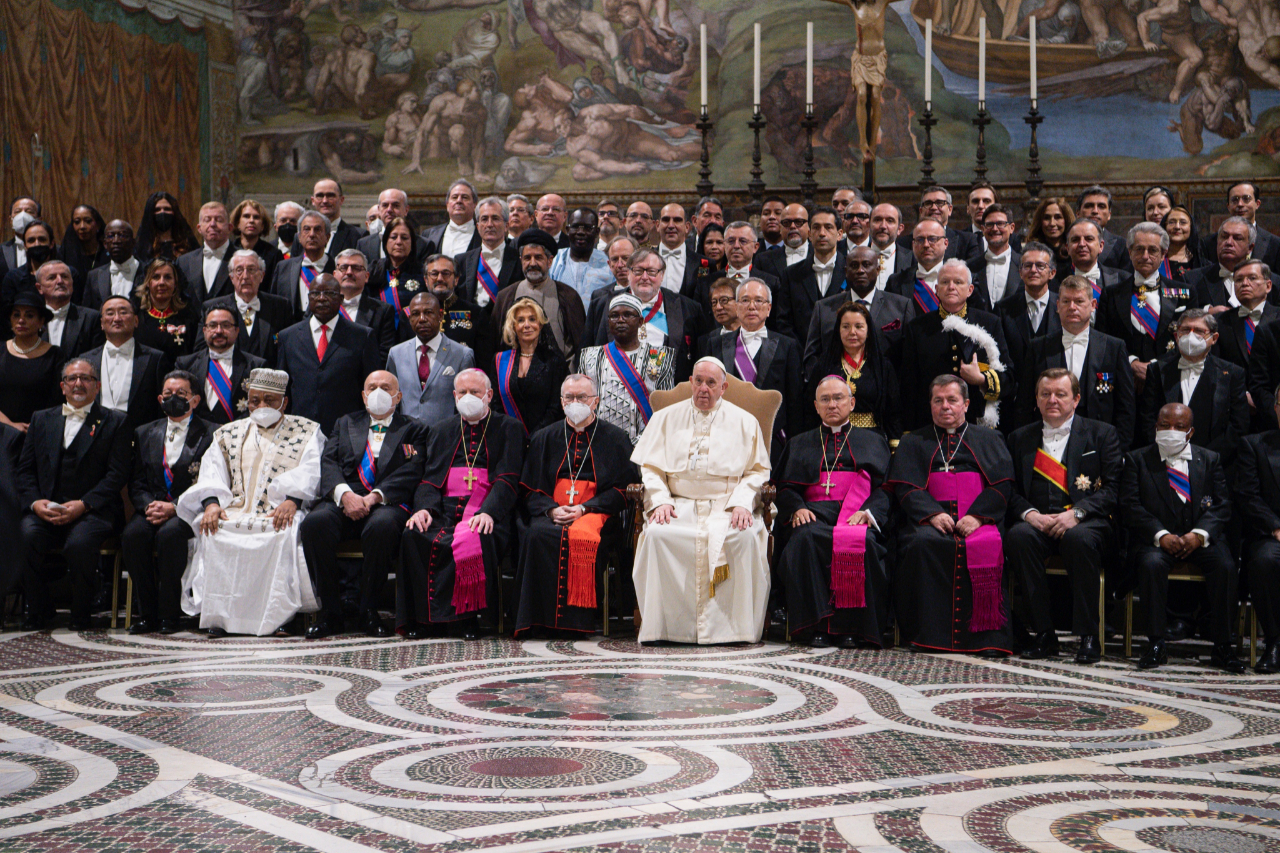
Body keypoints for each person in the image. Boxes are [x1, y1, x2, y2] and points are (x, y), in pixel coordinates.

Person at [631, 357, 771, 644]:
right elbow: (650, 468)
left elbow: (757, 471)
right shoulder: (665, 418)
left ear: (724, 387)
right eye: (698, 381)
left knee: (744, 538)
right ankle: (665, 628)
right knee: (658, 534)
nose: (703, 389)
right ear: (691, 382)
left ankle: (735, 630)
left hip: (727, 504)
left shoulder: (745, 421)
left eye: (711, 383)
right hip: (678, 503)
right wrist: (659, 500)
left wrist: (743, 503)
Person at [177, 368, 324, 637]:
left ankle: (278, 617)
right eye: (255, 400)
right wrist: (211, 504)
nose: (261, 406)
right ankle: (221, 619)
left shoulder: (307, 430)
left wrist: (293, 500)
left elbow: (312, 470)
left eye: (270, 400)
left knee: (282, 531)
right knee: (214, 529)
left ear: (284, 402)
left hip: (279, 511)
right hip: (234, 510)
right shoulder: (227, 432)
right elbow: (212, 471)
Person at [886, 374, 1015, 655]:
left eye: (952, 400)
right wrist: (932, 514)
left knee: (987, 545)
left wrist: (978, 517)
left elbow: (1002, 484)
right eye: (938, 400)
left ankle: (986, 638)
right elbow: (905, 487)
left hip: (978, 519)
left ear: (966, 404)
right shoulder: (913, 441)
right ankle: (928, 635)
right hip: (931, 520)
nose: (945, 406)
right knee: (923, 544)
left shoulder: (990, 438)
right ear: (930, 405)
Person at [1004, 369, 1123, 663]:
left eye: (1060, 394)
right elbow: (1009, 489)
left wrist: (1078, 514)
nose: (1052, 400)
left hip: (1085, 524)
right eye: (1045, 394)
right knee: (1018, 536)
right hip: (1039, 523)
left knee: (1079, 540)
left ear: (1077, 398)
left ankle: (1089, 636)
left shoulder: (1101, 433)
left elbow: (1113, 490)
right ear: (1036, 399)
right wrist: (1030, 515)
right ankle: (1044, 634)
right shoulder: (1019, 438)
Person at [301, 370, 428, 639]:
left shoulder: (415, 428)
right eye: (372, 387)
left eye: (386, 387)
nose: (378, 392)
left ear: (398, 396)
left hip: (386, 502)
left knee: (381, 527)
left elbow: (413, 471)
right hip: (344, 498)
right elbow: (329, 462)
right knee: (314, 524)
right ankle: (330, 613)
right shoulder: (345, 423)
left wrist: (374, 497)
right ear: (363, 394)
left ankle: (368, 611)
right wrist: (345, 495)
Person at [399, 369, 524, 638]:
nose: (469, 397)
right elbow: (430, 480)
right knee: (414, 534)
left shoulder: (509, 428)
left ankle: (467, 618)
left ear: (489, 396)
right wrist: (424, 509)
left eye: (475, 392)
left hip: (488, 510)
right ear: (454, 396)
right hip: (444, 511)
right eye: (463, 393)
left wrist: (489, 512)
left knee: (479, 536)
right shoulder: (441, 429)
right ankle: (424, 619)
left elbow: (508, 479)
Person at [1119, 402, 1243, 672]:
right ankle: (1155, 644)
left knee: (1225, 566)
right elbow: (1130, 506)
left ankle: (1223, 647)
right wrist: (1160, 535)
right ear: (1155, 427)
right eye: (1164, 425)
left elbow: (1222, 506)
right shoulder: (1137, 459)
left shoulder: (1210, 459)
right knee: (1151, 565)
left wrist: (1199, 535)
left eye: (1178, 427)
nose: (1170, 431)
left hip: (1199, 537)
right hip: (1157, 539)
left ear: (1190, 432)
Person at [513, 374, 636, 637]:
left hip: (597, 514)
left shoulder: (615, 438)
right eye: (569, 397)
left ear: (596, 401)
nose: (575, 402)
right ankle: (537, 620)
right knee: (537, 534)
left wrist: (585, 509)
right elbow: (529, 487)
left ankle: (578, 622)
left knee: (585, 538)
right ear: (561, 401)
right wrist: (550, 509)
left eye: (582, 397)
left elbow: (625, 488)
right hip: (553, 511)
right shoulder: (544, 437)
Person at [774, 376, 893, 648]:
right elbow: (784, 487)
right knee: (803, 540)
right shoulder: (799, 442)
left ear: (851, 403)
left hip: (856, 514)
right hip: (813, 514)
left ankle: (852, 628)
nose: (832, 404)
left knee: (866, 545)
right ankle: (814, 627)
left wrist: (870, 513)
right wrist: (797, 508)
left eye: (838, 398)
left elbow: (886, 488)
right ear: (815, 406)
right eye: (825, 399)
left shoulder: (874, 441)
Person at [17, 358, 131, 630]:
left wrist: (84, 504)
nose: (78, 383)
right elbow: (25, 470)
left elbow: (117, 475)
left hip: (94, 511)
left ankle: (81, 613)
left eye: (86, 378)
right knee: (23, 536)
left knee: (79, 544)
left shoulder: (116, 421)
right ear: (63, 386)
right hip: (46, 509)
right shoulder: (41, 418)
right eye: (72, 378)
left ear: (97, 385)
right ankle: (40, 609)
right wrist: (35, 503)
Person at [122, 370, 214, 634]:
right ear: (160, 398)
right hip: (151, 507)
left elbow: (209, 480)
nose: (174, 398)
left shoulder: (211, 433)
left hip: (188, 510)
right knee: (133, 536)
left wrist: (174, 507)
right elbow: (137, 481)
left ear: (195, 400)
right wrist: (148, 506)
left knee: (170, 537)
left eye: (181, 394)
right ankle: (146, 613)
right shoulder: (143, 432)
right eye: (168, 394)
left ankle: (169, 614)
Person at [1019, 276, 1135, 447]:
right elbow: (1025, 403)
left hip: (1100, 444)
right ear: (1057, 306)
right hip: (1049, 442)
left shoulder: (1114, 347)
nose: (1072, 307)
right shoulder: (1038, 347)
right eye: (1066, 301)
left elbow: (1126, 407)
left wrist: (1119, 449)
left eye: (1079, 301)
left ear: (1093, 305)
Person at [900, 260, 1013, 430]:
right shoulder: (917, 327)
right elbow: (908, 385)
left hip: (974, 424)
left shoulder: (990, 323)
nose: (951, 287)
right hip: (929, 426)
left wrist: (981, 379)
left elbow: (1009, 379)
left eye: (958, 282)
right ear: (936, 290)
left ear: (970, 290)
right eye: (945, 282)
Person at [1138, 309, 1249, 468]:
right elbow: (1148, 418)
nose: (1191, 336)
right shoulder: (1157, 370)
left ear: (1214, 338)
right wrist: (1164, 454)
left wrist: (1208, 459)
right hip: (1164, 463)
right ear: (1176, 336)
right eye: (1185, 330)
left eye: (1198, 331)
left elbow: (1238, 425)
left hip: (1215, 464)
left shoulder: (1232, 373)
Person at [705, 279, 802, 458]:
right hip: (726, 438)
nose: (752, 306)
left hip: (774, 439)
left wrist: (793, 447)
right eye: (744, 300)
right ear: (736, 306)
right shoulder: (716, 344)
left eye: (758, 300)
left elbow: (795, 401)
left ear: (769, 308)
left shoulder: (787, 345)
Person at [1098, 223, 1196, 395]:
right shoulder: (1111, 294)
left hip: (1169, 382)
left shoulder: (1185, 293)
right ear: (1129, 252)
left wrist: (1156, 366)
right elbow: (1103, 339)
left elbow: (1192, 339)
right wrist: (1131, 363)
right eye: (1139, 249)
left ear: (1163, 253)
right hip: (1124, 383)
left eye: (1152, 250)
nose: (1145, 256)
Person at [276, 274, 380, 434]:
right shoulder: (287, 337)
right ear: (308, 298)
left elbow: (370, 388)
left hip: (348, 430)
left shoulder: (362, 336)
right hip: (298, 430)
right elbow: (284, 389)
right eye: (316, 293)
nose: (322, 298)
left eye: (329, 293)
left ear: (341, 298)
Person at [578, 292, 676, 443]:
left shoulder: (660, 357)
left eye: (627, 314)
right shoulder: (590, 356)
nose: (620, 320)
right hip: (598, 444)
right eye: (614, 316)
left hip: (645, 446)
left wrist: (641, 443)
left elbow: (666, 409)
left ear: (640, 321)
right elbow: (581, 404)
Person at [806, 244, 914, 376]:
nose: (860, 270)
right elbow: (812, 358)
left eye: (866, 265)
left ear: (878, 269)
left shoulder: (901, 307)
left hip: (886, 390)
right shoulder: (823, 309)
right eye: (854, 265)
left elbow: (909, 359)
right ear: (845, 271)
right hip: (836, 389)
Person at [807, 301, 902, 440]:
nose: (852, 332)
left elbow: (893, 412)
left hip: (872, 439)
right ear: (838, 330)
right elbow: (810, 409)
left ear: (868, 331)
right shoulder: (824, 365)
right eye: (846, 326)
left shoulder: (882, 367)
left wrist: (894, 447)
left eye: (859, 326)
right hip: (831, 437)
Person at [1235, 386, 1280, 672]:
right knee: (1265, 561)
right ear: (1275, 407)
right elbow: (1247, 496)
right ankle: (1275, 642)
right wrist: (1275, 527)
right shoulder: (1254, 445)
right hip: (1270, 535)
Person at [492, 228, 586, 363]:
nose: (532, 263)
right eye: (527, 258)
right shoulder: (505, 297)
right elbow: (496, 343)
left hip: (560, 379)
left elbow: (579, 344)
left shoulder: (569, 296)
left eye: (538, 257)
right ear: (521, 260)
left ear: (550, 261)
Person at [387, 291, 476, 423]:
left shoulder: (462, 354)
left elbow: (467, 403)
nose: (422, 319)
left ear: (440, 315)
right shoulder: (395, 353)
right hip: (407, 437)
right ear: (410, 318)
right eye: (416, 314)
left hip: (447, 436)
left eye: (428, 312)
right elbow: (392, 400)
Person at [83, 296, 169, 430]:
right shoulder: (86, 360)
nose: (117, 318)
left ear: (136, 320)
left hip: (139, 439)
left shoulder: (155, 358)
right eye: (110, 313)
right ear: (101, 322)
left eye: (123, 312)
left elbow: (160, 407)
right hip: (95, 438)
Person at [176, 306, 266, 425]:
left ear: (237, 331)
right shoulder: (185, 365)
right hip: (197, 437)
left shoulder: (256, 366)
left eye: (226, 325)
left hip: (240, 435)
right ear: (204, 330)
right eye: (212, 326)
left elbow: (261, 407)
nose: (219, 331)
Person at [493, 297, 567, 435]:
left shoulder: (554, 361)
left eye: (532, 319)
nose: (527, 325)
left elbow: (556, 407)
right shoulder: (500, 360)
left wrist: (535, 437)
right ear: (513, 326)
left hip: (545, 438)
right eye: (520, 320)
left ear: (540, 324)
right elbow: (495, 404)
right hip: (508, 436)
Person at [202, 250, 292, 363]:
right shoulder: (212, 308)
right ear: (231, 277)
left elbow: (288, 350)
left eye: (251, 270)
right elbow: (202, 351)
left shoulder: (280, 306)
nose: (245, 276)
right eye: (239, 270)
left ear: (262, 276)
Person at [777, 207, 846, 341]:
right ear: (809, 234)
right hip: (801, 355)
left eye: (828, 227)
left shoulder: (851, 271)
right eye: (816, 227)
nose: (822, 233)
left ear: (839, 234)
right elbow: (784, 322)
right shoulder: (791, 274)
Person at [0, 293, 63, 431]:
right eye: (16, 315)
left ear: (41, 321)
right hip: (2, 431)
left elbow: (58, 401)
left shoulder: (55, 355)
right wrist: (10, 425)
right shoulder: (1, 350)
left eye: (29, 315)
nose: (21, 320)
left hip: (40, 432)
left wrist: (36, 428)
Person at [994, 242, 1060, 371]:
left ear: (1052, 273)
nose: (1033, 270)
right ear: (1020, 272)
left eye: (1040, 266)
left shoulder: (1064, 306)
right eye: (1028, 265)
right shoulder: (1003, 309)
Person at [456, 196, 523, 312]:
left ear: (506, 226)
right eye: (484, 219)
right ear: (478, 226)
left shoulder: (519, 259)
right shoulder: (462, 260)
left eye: (495, 218)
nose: (489, 224)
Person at [1213, 258, 1278, 377]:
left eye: (1252, 278)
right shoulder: (1220, 321)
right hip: (1236, 393)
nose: (1244, 283)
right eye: (1238, 280)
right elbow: (1217, 365)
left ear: (1268, 286)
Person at [271, 211, 336, 324]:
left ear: (327, 237)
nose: (311, 234)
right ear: (299, 237)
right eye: (306, 229)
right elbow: (273, 305)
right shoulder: (283, 267)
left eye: (317, 229)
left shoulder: (336, 268)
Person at [334, 248, 398, 364]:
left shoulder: (383, 311)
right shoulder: (322, 306)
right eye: (343, 268)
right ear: (334, 275)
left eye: (356, 268)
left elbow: (384, 355)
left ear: (367, 276)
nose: (349, 272)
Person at [1202, 182, 1280, 269]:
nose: (1240, 204)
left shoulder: (1275, 244)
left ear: (1257, 204)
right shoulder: (1208, 243)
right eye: (1235, 200)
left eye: (1246, 199)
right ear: (1228, 206)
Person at [135, 256, 200, 361]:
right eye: (156, 277)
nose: (162, 282)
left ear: (175, 283)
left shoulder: (189, 316)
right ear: (147, 282)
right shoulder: (136, 316)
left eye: (168, 277)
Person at [894, 186, 981, 264]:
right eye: (928, 203)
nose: (934, 208)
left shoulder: (967, 241)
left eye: (939, 203)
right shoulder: (902, 244)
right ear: (921, 211)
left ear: (950, 209)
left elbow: (972, 275)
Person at [176, 202, 234, 311]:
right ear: (199, 228)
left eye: (219, 220)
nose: (212, 224)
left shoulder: (243, 259)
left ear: (230, 227)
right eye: (207, 220)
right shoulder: (183, 262)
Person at [37, 260, 100, 357]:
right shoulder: (32, 318)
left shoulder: (92, 318)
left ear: (72, 283)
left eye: (65, 276)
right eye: (52, 278)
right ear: (39, 288)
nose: (60, 281)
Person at [550, 208, 613, 303]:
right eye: (575, 227)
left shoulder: (608, 263)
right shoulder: (555, 260)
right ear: (567, 230)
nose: (580, 232)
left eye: (587, 228)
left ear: (596, 232)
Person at [886, 219, 949, 314]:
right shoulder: (896, 282)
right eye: (920, 239)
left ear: (945, 243)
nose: (926, 245)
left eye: (932, 239)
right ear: (913, 245)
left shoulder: (963, 279)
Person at [967, 204, 1021, 313]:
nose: (995, 229)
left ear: (1012, 228)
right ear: (983, 229)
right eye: (990, 224)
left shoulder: (1025, 265)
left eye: (1000, 224)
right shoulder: (969, 267)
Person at [1054, 219, 1125, 300]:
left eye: (1089, 239)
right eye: (1075, 240)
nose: (1082, 244)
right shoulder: (1053, 281)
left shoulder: (1123, 280)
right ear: (1067, 248)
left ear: (1101, 246)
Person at [84, 220, 141, 312]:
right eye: (110, 236)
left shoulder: (147, 272)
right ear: (105, 244)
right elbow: (88, 312)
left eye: (122, 235)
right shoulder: (94, 276)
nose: (116, 241)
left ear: (133, 242)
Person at [1076, 185, 1131, 272]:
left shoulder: (1122, 245)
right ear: (1078, 213)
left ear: (1109, 214)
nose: (1095, 211)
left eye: (1101, 206)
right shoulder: (1067, 243)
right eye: (1089, 206)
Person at [424, 179, 482, 258]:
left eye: (465, 197)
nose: (459, 201)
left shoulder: (483, 236)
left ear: (475, 204)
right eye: (454, 197)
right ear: (447, 205)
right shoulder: (429, 235)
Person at [229, 199, 283, 284]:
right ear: (238, 223)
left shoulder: (274, 254)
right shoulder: (228, 251)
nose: (251, 221)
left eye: (256, 217)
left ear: (262, 225)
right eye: (246, 216)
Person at [133, 191, 197, 262]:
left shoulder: (186, 244)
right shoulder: (143, 247)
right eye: (157, 209)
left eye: (167, 209)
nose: (162, 212)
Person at [311, 178, 363, 257]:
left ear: (341, 200)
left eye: (330, 196)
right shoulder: (300, 237)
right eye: (320, 196)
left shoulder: (358, 236)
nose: (325, 201)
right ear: (313, 201)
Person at [59, 204, 107, 286]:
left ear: (98, 225)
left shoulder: (107, 252)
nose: (82, 226)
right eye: (77, 222)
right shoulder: (66, 254)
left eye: (88, 221)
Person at [1025, 197, 1075, 268]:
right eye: (1046, 218)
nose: (1052, 223)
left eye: (1058, 217)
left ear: (1066, 220)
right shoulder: (1030, 252)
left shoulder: (1074, 251)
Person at [696, 278, 739, 356]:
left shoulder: (755, 335)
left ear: (739, 302)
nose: (718, 307)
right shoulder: (705, 342)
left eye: (724, 300)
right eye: (714, 302)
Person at [1160, 205, 1202, 282]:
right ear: (1165, 227)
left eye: (1183, 222)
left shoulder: (1201, 263)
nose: (1177, 227)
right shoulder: (1155, 260)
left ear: (1191, 228)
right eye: (1172, 222)